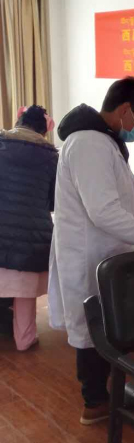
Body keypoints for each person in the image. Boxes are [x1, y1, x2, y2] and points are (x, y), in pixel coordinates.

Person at [48, 77, 134, 425]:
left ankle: (108, 395)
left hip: (103, 251)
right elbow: (104, 211)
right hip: (89, 254)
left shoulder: (101, 141)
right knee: (92, 331)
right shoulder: (89, 144)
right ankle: (94, 402)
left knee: (106, 329)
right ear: (125, 109)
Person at [0, 105, 58, 350]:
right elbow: (54, 200)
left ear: (19, 122)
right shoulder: (52, 157)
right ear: (43, 130)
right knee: (24, 292)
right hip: (32, 237)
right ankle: (24, 340)